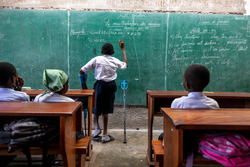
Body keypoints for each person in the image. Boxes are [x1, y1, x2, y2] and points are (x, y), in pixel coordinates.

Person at [79, 40, 128, 143]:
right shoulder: (114, 60)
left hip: (99, 86)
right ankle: (105, 134)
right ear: (113, 52)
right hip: (110, 86)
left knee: (96, 108)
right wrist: (123, 49)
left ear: (101, 52)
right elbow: (125, 65)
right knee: (105, 111)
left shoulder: (97, 59)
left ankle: (96, 129)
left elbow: (82, 70)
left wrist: (84, 86)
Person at [159, 64, 219, 144]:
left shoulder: (178, 103)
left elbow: (171, 128)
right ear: (206, 83)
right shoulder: (213, 104)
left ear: (186, 85)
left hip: (183, 141)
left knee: (161, 136)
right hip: (205, 141)